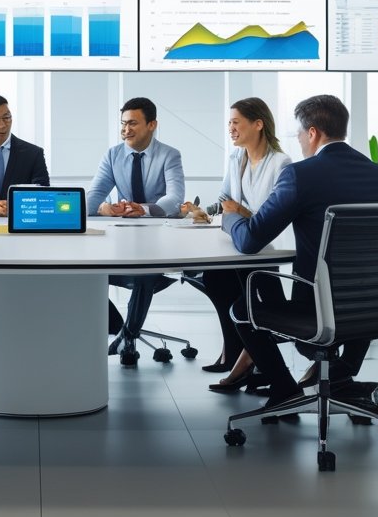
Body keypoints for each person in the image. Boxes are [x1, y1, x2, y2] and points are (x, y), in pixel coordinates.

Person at [223, 94, 378, 410]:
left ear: (313, 132)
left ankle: (285, 388)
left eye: (300, 134)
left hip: (319, 309)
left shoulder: (300, 174)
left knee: (242, 308)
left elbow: (250, 240)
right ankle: (340, 379)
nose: (300, 141)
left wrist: (230, 216)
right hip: (375, 305)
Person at [183, 98, 292, 391]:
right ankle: (239, 353)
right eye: (229, 123)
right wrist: (205, 211)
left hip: (265, 244)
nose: (230, 128)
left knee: (251, 295)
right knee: (216, 278)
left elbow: (272, 213)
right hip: (238, 237)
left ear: (258, 124)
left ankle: (249, 358)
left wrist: (239, 211)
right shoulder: (236, 158)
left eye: (236, 122)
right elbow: (225, 200)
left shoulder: (281, 163)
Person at [86, 97, 185, 361]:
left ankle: (128, 337)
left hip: (158, 244)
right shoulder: (113, 155)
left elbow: (175, 198)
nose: (125, 130)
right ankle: (118, 327)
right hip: (121, 241)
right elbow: (94, 196)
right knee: (84, 271)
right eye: (123, 124)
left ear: (152, 125)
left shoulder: (169, 155)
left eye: (132, 123)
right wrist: (102, 209)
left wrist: (145, 209)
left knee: (144, 272)